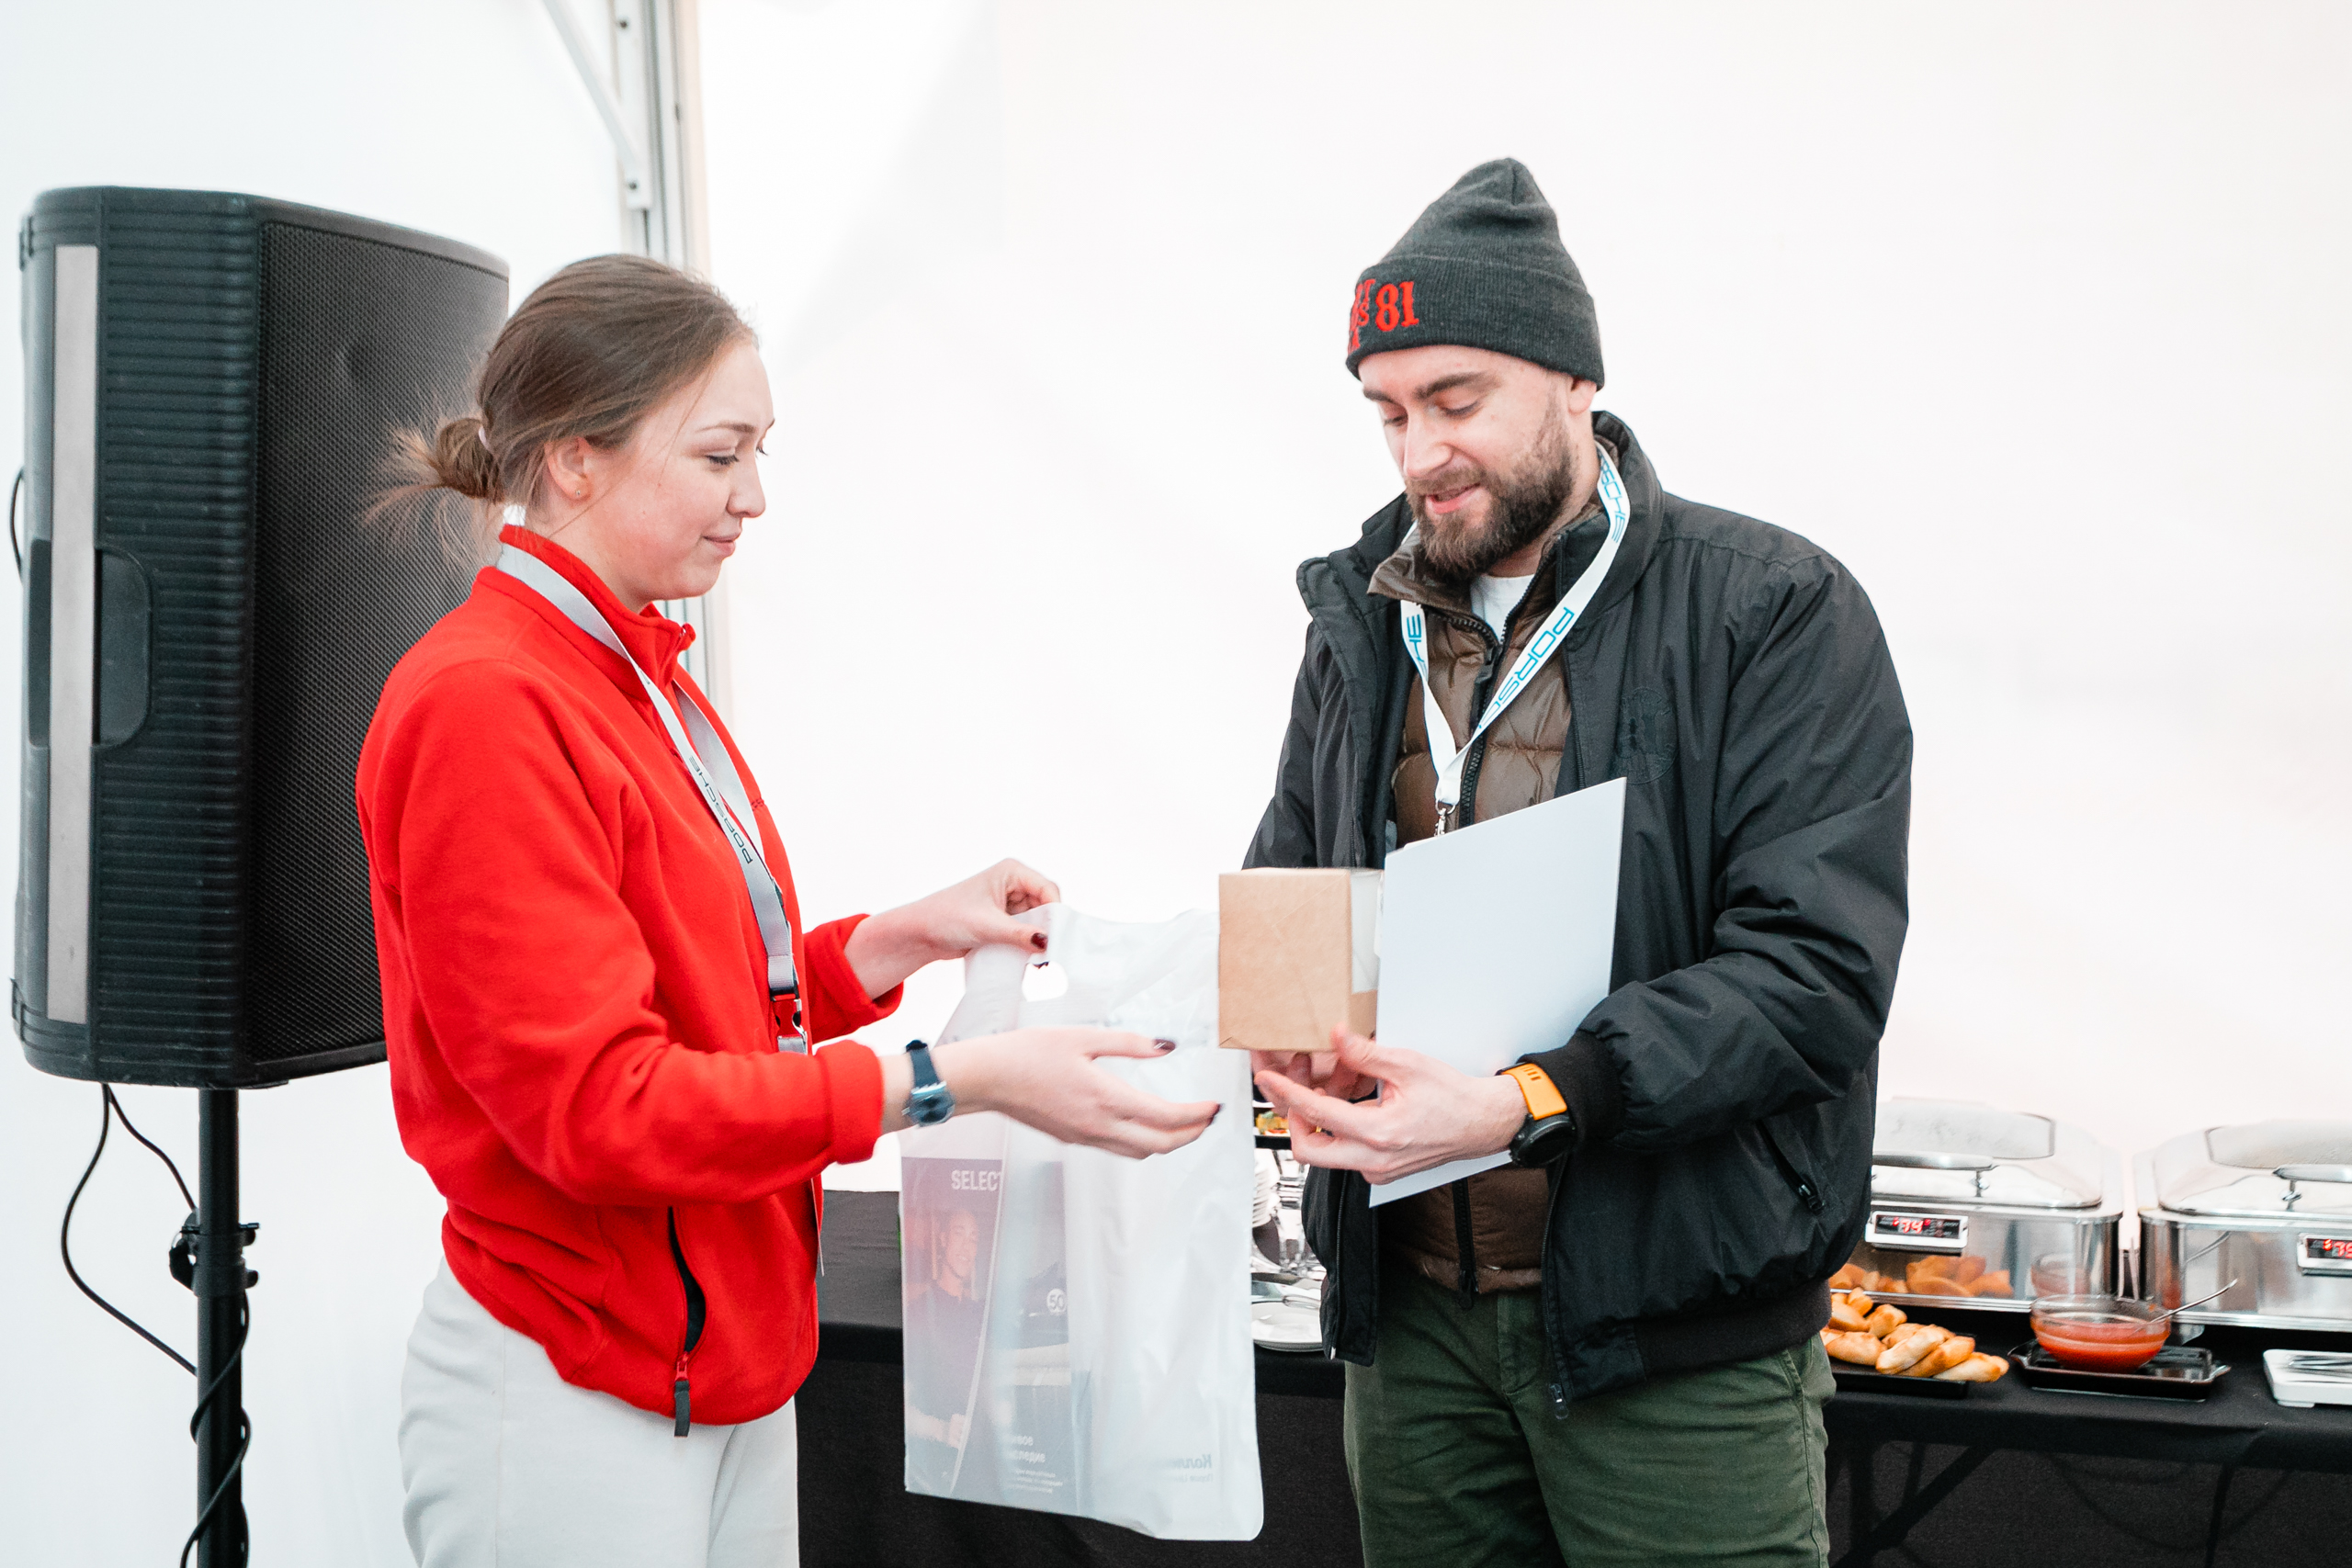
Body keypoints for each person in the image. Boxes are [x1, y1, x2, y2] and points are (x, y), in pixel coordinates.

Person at [360, 254, 1219, 1568]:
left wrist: (900, 938)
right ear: (577, 457)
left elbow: (707, 1003)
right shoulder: (487, 704)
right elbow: (602, 1108)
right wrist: (955, 1080)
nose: (754, 496)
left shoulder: (641, 673)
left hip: (723, 1368)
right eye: (720, 455)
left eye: (759, 452)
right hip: (577, 1389)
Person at [1250, 159, 1910, 1567]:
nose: (1419, 453)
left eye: (1456, 400)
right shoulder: (1359, 614)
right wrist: (1281, 1026)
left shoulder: (1772, 608)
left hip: (1669, 1340)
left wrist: (1527, 1099)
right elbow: (1298, 874)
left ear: (1573, 382)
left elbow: (1813, 973)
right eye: (1388, 411)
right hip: (1411, 1327)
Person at [903, 1205, 986, 1488]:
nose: (966, 1246)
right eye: (959, 1234)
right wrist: (941, 1430)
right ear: (943, 1240)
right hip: (940, 1471)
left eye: (974, 1238)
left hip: (980, 1464)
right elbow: (904, 1408)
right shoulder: (920, 1312)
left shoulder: (979, 1313)